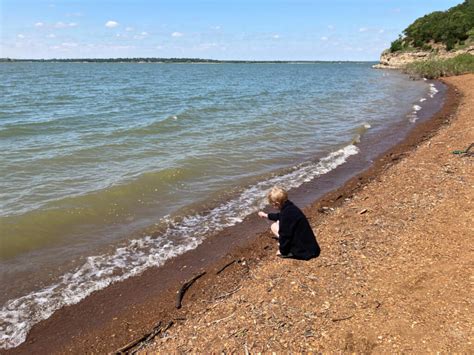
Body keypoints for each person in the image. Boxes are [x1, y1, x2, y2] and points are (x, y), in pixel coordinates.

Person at [258, 186, 320, 260]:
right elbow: (279, 216)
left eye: (272, 205)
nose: (272, 206)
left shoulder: (286, 215)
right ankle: (287, 246)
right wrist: (266, 215)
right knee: (277, 223)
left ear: (277, 204)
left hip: (304, 252)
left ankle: (288, 250)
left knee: (275, 226)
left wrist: (282, 251)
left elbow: (285, 236)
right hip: (312, 247)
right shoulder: (291, 207)